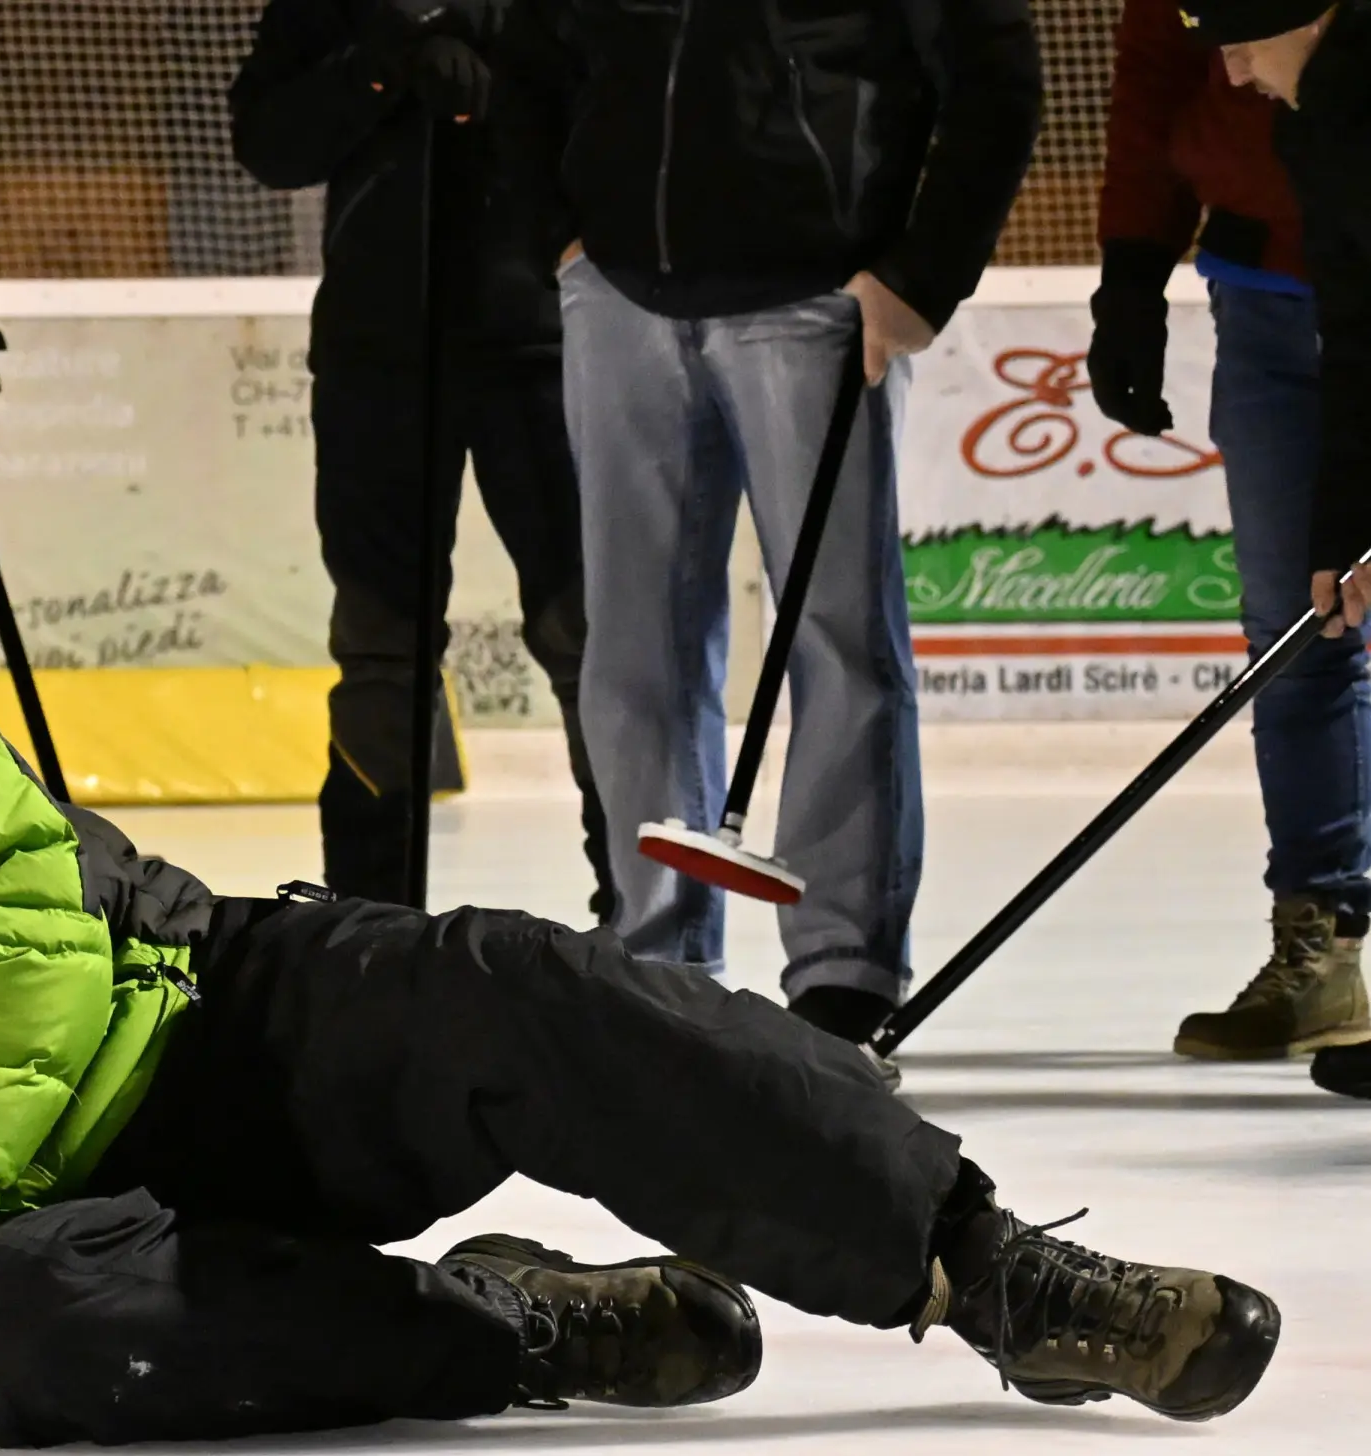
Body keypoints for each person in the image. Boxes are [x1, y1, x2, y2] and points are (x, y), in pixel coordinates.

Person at [0, 463, 1280, 1446]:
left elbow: (24, 904)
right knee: (62, 1352)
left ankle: (999, 1271)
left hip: (166, 1008)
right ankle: (517, 1331)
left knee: (503, 983)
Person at [507, 0, 1044, 1047]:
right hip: (617, 294)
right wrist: (560, 241)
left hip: (814, 296)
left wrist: (920, 278)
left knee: (838, 637)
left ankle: (845, 971)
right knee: (633, 648)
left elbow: (997, 75)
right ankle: (657, 956)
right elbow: (531, 55)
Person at [231, 0, 614, 917]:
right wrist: (382, 60)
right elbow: (269, 143)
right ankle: (368, 930)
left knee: (589, 637)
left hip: (545, 345)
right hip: (379, 355)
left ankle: (644, 922)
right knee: (381, 648)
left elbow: (629, 116)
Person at [1093, 0, 1371, 1063]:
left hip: (1354, 279)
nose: (1233, 66)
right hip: (1268, 290)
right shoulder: (1288, 115)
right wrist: (1131, 269)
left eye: (1243, 41)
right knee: (1301, 626)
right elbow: (1157, 75)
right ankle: (1322, 941)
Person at [1182, 0, 1371, 1102]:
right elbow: (1358, 330)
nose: (1234, 69)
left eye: (1243, 39)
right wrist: (1340, 531)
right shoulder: (1313, 122)